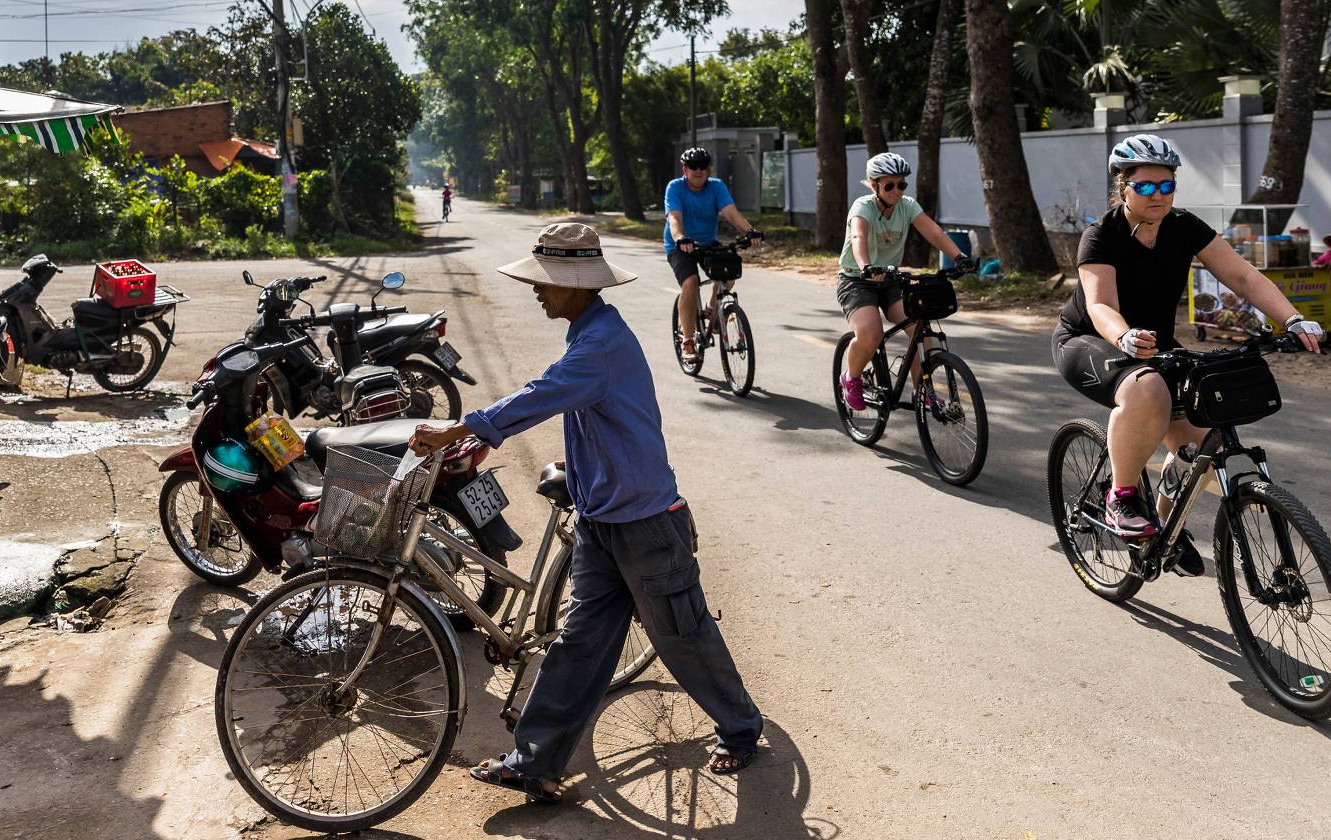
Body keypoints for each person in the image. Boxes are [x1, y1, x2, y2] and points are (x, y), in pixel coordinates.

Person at [407, 222, 763, 802]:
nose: (537, 291)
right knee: (578, 644)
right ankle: (536, 761)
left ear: (577, 285)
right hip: (600, 519)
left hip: (646, 521)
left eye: (546, 282)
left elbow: (542, 393)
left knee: (682, 637)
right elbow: (570, 405)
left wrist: (463, 426)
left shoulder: (600, 344)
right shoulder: (587, 331)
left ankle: (742, 727)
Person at [1050, 134, 1323, 573]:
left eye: (1166, 185)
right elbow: (1100, 305)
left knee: (1198, 445)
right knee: (1148, 389)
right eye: (1145, 186)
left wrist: (1292, 320)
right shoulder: (1101, 235)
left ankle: (1161, 529)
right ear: (1123, 188)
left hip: (1154, 344)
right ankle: (1121, 497)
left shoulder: (1184, 226)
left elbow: (1244, 276)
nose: (1157, 195)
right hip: (1093, 339)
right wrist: (1123, 338)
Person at [835, 151, 972, 412]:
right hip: (857, 279)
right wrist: (865, 266)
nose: (897, 191)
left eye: (902, 184)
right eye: (890, 185)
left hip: (889, 279)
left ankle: (922, 391)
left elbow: (932, 230)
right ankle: (850, 378)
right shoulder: (862, 207)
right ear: (874, 185)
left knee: (920, 328)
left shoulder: (907, 206)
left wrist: (958, 256)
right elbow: (858, 237)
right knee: (870, 333)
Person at [665, 147, 761, 363]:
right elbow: (674, 218)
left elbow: (731, 214)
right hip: (680, 245)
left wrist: (750, 232)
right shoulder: (675, 187)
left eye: (703, 166)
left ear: (708, 169)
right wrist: (680, 238)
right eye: (693, 166)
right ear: (685, 169)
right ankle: (688, 340)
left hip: (707, 242)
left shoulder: (716, 187)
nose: (698, 171)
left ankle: (712, 309)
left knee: (729, 272)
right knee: (690, 282)